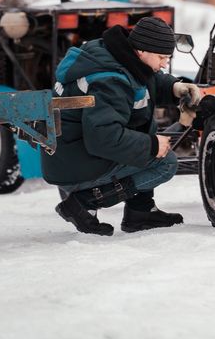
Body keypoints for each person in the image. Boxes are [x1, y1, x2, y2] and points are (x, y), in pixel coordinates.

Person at [43, 17, 202, 236]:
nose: (164, 63)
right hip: (74, 164)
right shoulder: (108, 80)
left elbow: (146, 79)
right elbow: (104, 138)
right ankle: (82, 203)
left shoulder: (115, 55)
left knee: (142, 131)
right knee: (164, 162)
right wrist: (152, 145)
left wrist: (175, 87)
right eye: (162, 57)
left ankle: (141, 212)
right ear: (141, 51)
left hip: (69, 154)